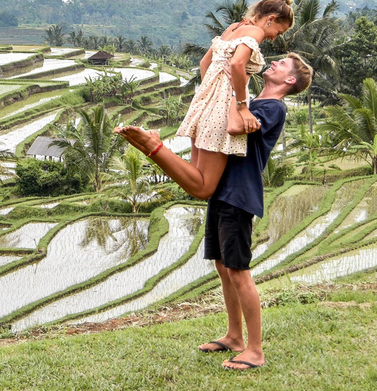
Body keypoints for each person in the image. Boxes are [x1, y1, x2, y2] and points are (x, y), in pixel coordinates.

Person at [116, 53, 313, 370]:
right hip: (222, 191)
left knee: (238, 270)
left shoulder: (272, 108)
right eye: (274, 61)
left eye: (281, 66)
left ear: (290, 81)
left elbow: (234, 129)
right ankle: (234, 336)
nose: (273, 64)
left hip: (238, 194)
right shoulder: (249, 102)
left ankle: (255, 350)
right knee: (223, 267)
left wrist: (232, 94)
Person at [123, 0, 295, 201]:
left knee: (195, 176)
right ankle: (153, 145)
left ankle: (155, 145)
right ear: (271, 19)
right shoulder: (256, 31)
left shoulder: (233, 28)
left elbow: (205, 62)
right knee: (203, 189)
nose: (275, 37)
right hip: (223, 109)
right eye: (279, 31)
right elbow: (237, 64)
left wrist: (210, 95)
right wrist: (241, 106)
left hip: (206, 103)